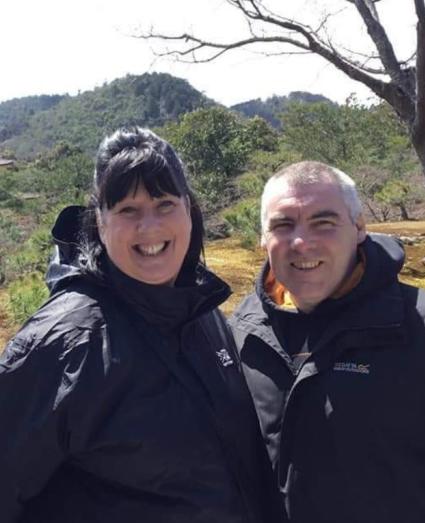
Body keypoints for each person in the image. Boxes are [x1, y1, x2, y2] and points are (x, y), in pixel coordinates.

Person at [0, 128, 282, 523]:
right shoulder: (65, 343)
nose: (149, 228)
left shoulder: (203, 312)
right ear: (99, 221)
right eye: (127, 210)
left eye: (164, 204)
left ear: (189, 209)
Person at [230, 161, 425, 522]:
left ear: (359, 227)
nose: (301, 242)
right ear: (263, 237)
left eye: (323, 223)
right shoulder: (239, 335)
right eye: (283, 225)